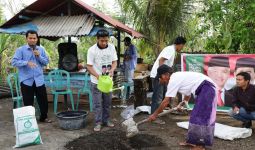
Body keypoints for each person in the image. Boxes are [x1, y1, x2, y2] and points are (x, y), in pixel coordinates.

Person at [148, 64, 217, 150]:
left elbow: (166, 101)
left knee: (200, 116)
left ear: (166, 75)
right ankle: (192, 141)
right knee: (194, 116)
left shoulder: (173, 79)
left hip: (207, 88)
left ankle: (200, 145)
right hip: (205, 88)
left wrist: (154, 114)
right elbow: (187, 94)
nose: (160, 80)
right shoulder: (177, 77)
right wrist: (183, 103)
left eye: (160, 77)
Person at [11, 30, 51, 123]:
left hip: (39, 80)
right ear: (26, 39)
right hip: (26, 80)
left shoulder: (41, 50)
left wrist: (39, 56)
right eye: (30, 38)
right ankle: (30, 120)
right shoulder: (20, 50)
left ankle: (44, 117)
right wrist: (26, 62)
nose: (32, 40)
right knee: (28, 101)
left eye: (34, 38)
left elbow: (45, 62)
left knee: (43, 100)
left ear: (37, 39)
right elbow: (14, 62)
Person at [86, 29, 118, 132]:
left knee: (107, 103)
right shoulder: (92, 50)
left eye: (106, 41)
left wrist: (112, 70)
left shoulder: (112, 47)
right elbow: (89, 66)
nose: (104, 43)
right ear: (97, 39)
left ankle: (106, 120)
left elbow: (114, 62)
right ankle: (98, 123)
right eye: (102, 41)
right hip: (96, 82)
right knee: (97, 104)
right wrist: (98, 77)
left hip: (108, 81)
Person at [150, 36, 186, 123]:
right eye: (183, 46)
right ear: (180, 44)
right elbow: (161, 61)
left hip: (161, 76)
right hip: (158, 76)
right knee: (157, 97)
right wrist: (161, 76)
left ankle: (159, 113)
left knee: (163, 96)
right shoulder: (170, 49)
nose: (182, 48)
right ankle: (154, 117)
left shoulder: (171, 50)